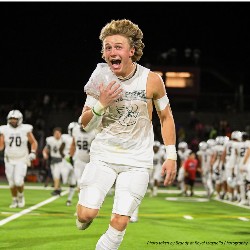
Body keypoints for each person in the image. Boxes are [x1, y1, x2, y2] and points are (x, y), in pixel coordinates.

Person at [76, 19, 177, 250]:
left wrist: (171, 155)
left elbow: (166, 117)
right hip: (104, 155)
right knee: (86, 215)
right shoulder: (100, 78)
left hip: (137, 160)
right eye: (108, 47)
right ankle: (83, 216)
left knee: (119, 220)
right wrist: (101, 104)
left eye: (118, 46)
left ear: (132, 51)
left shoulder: (151, 79)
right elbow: (85, 124)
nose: (112, 52)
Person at [0, 110, 38, 208]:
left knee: (18, 181)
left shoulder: (25, 129)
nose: (13, 121)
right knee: (11, 183)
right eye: (11, 119)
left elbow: (33, 142)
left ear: (20, 120)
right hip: (9, 158)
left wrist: (33, 152)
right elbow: (1, 144)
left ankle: (20, 196)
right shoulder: (5, 129)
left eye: (15, 119)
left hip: (21, 158)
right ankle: (14, 199)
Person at [42, 127, 65, 196]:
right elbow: (45, 149)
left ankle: (56, 189)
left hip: (62, 160)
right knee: (55, 175)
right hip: (53, 160)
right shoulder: (50, 140)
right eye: (55, 133)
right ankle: (58, 188)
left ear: (61, 134)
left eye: (58, 133)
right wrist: (45, 154)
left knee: (57, 174)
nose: (57, 135)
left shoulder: (64, 140)